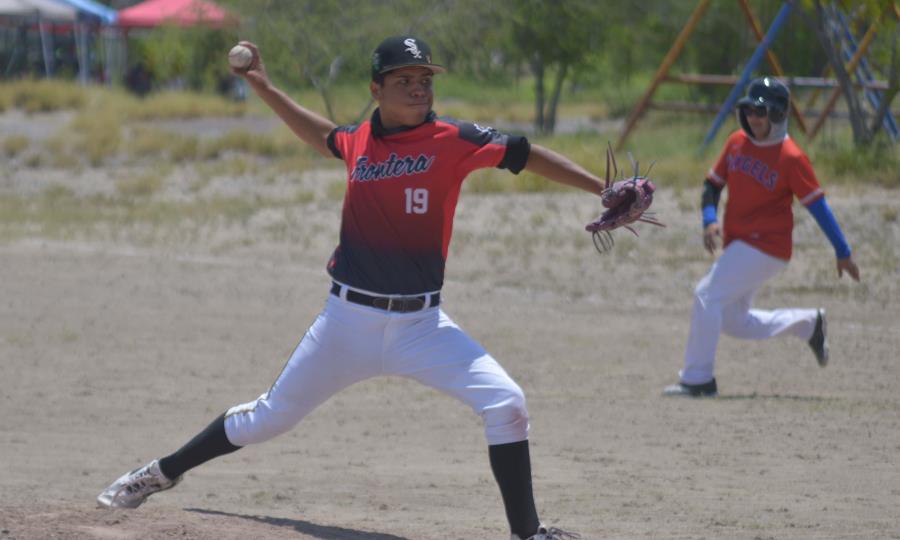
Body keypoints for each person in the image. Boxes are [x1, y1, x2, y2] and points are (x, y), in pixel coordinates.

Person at [96, 36, 601, 540]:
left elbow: (526, 153)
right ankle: (159, 473)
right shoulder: (359, 140)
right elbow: (320, 134)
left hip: (423, 327)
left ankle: (528, 534)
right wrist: (263, 86)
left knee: (507, 403)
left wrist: (603, 189)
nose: (418, 88)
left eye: (424, 79)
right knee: (266, 419)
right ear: (376, 89)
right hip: (346, 325)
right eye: (404, 80)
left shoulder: (455, 139)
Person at [662, 76, 861, 398]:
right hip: (740, 243)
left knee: (706, 295)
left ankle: (698, 380)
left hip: (768, 246)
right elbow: (712, 185)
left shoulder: (791, 157)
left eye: (761, 112)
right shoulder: (736, 142)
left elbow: (818, 207)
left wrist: (843, 251)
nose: (753, 118)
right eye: (749, 111)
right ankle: (808, 324)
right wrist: (709, 221)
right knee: (732, 320)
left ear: (778, 114)